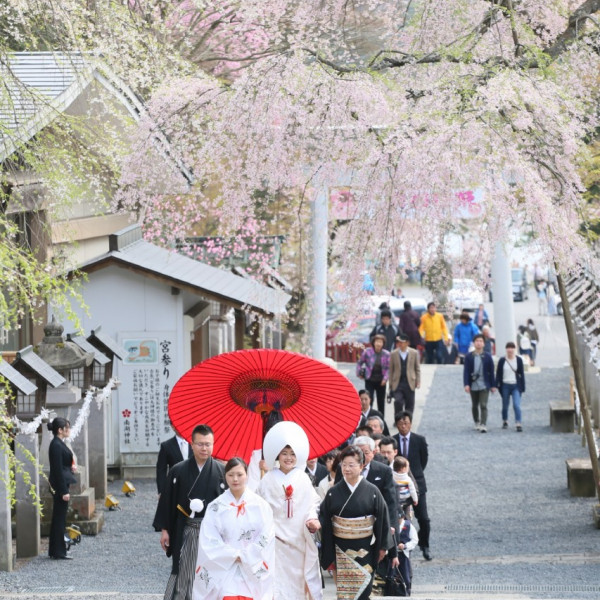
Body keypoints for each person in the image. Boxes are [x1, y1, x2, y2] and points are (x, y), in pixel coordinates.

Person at [156, 424, 226, 600]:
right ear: (192, 444)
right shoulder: (178, 470)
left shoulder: (221, 472)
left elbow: (227, 508)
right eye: (200, 444)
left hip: (211, 532)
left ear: (213, 445)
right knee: (183, 571)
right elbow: (168, 502)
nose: (204, 448)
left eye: (208, 444)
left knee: (210, 572)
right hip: (185, 529)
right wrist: (165, 530)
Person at [193, 457, 275, 600]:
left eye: (239, 474)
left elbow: (266, 536)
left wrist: (245, 555)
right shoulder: (216, 506)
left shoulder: (260, 506)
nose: (235, 479)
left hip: (252, 567)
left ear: (247, 475)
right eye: (230, 475)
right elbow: (209, 538)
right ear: (225, 476)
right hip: (225, 567)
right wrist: (232, 555)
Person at [257, 421, 322, 600]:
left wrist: (311, 519)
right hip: (275, 542)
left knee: (298, 583)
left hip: (298, 540)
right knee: (275, 584)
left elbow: (312, 504)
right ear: (278, 454)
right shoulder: (268, 479)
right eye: (284, 453)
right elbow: (259, 507)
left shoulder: (303, 478)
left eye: (292, 454)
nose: (288, 458)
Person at [319, 445, 394, 600]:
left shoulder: (372, 491)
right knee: (345, 595)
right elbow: (325, 520)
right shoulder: (333, 492)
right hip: (341, 551)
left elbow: (383, 518)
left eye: (351, 465)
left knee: (363, 592)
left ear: (361, 466)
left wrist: (382, 547)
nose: (346, 468)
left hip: (366, 549)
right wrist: (328, 553)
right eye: (344, 464)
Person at [393, 411, 431, 561]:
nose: (404, 426)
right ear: (397, 425)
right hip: (399, 487)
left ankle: (425, 544)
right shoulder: (393, 440)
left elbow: (424, 460)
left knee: (424, 518)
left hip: (417, 484)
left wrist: (414, 475)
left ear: (410, 423)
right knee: (401, 518)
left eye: (406, 423)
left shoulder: (419, 440)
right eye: (401, 423)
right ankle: (402, 544)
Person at [47, 417, 77, 560]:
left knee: (58, 517)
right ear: (60, 430)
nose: (69, 430)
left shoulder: (58, 443)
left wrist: (71, 467)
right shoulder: (56, 445)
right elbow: (57, 470)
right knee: (59, 518)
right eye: (67, 427)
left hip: (61, 483)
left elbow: (63, 464)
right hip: (59, 485)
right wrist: (63, 491)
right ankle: (58, 551)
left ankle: (55, 549)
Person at [153, 432, 192, 531]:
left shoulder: (194, 443)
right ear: (172, 426)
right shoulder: (166, 445)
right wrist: (161, 490)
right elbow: (161, 470)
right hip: (175, 482)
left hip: (193, 481)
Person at [463, 333, 496, 433]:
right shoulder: (469, 356)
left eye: (481, 341)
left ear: (484, 344)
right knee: (474, 405)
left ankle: (483, 423)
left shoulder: (487, 356)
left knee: (483, 404)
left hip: (484, 384)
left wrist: (493, 385)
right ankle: (476, 421)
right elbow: (466, 371)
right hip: (473, 384)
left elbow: (491, 371)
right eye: (477, 341)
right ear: (474, 343)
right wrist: (466, 384)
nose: (479, 343)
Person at [496, 341, 526, 432]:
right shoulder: (502, 360)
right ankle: (505, 420)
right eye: (508, 348)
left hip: (515, 385)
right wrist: (497, 384)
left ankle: (518, 422)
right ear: (506, 349)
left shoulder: (519, 360)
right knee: (505, 405)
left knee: (516, 404)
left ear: (514, 349)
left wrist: (522, 387)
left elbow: (521, 374)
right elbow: (498, 374)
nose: (510, 350)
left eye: (512, 348)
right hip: (505, 385)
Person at [356, 334, 390, 414]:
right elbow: (360, 362)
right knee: (368, 399)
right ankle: (368, 417)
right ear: (373, 342)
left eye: (380, 342)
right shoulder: (367, 352)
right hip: (369, 380)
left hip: (381, 381)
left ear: (383, 343)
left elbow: (389, 368)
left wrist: (385, 379)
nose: (378, 344)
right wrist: (359, 373)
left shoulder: (387, 354)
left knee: (381, 401)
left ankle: (381, 419)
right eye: (377, 341)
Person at [389, 334, 421, 415]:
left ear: (407, 343)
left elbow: (417, 368)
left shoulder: (414, 353)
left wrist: (418, 381)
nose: (400, 344)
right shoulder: (393, 353)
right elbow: (391, 370)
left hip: (410, 382)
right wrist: (390, 384)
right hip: (398, 382)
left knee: (410, 403)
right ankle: (398, 419)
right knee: (398, 401)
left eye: (402, 342)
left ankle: (408, 420)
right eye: (399, 342)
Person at [395, 508, 419, 596]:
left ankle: (407, 593)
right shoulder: (391, 526)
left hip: (404, 554)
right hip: (392, 554)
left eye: (399, 519)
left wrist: (405, 546)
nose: (398, 521)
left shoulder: (408, 526)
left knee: (406, 575)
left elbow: (415, 540)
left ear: (403, 517)